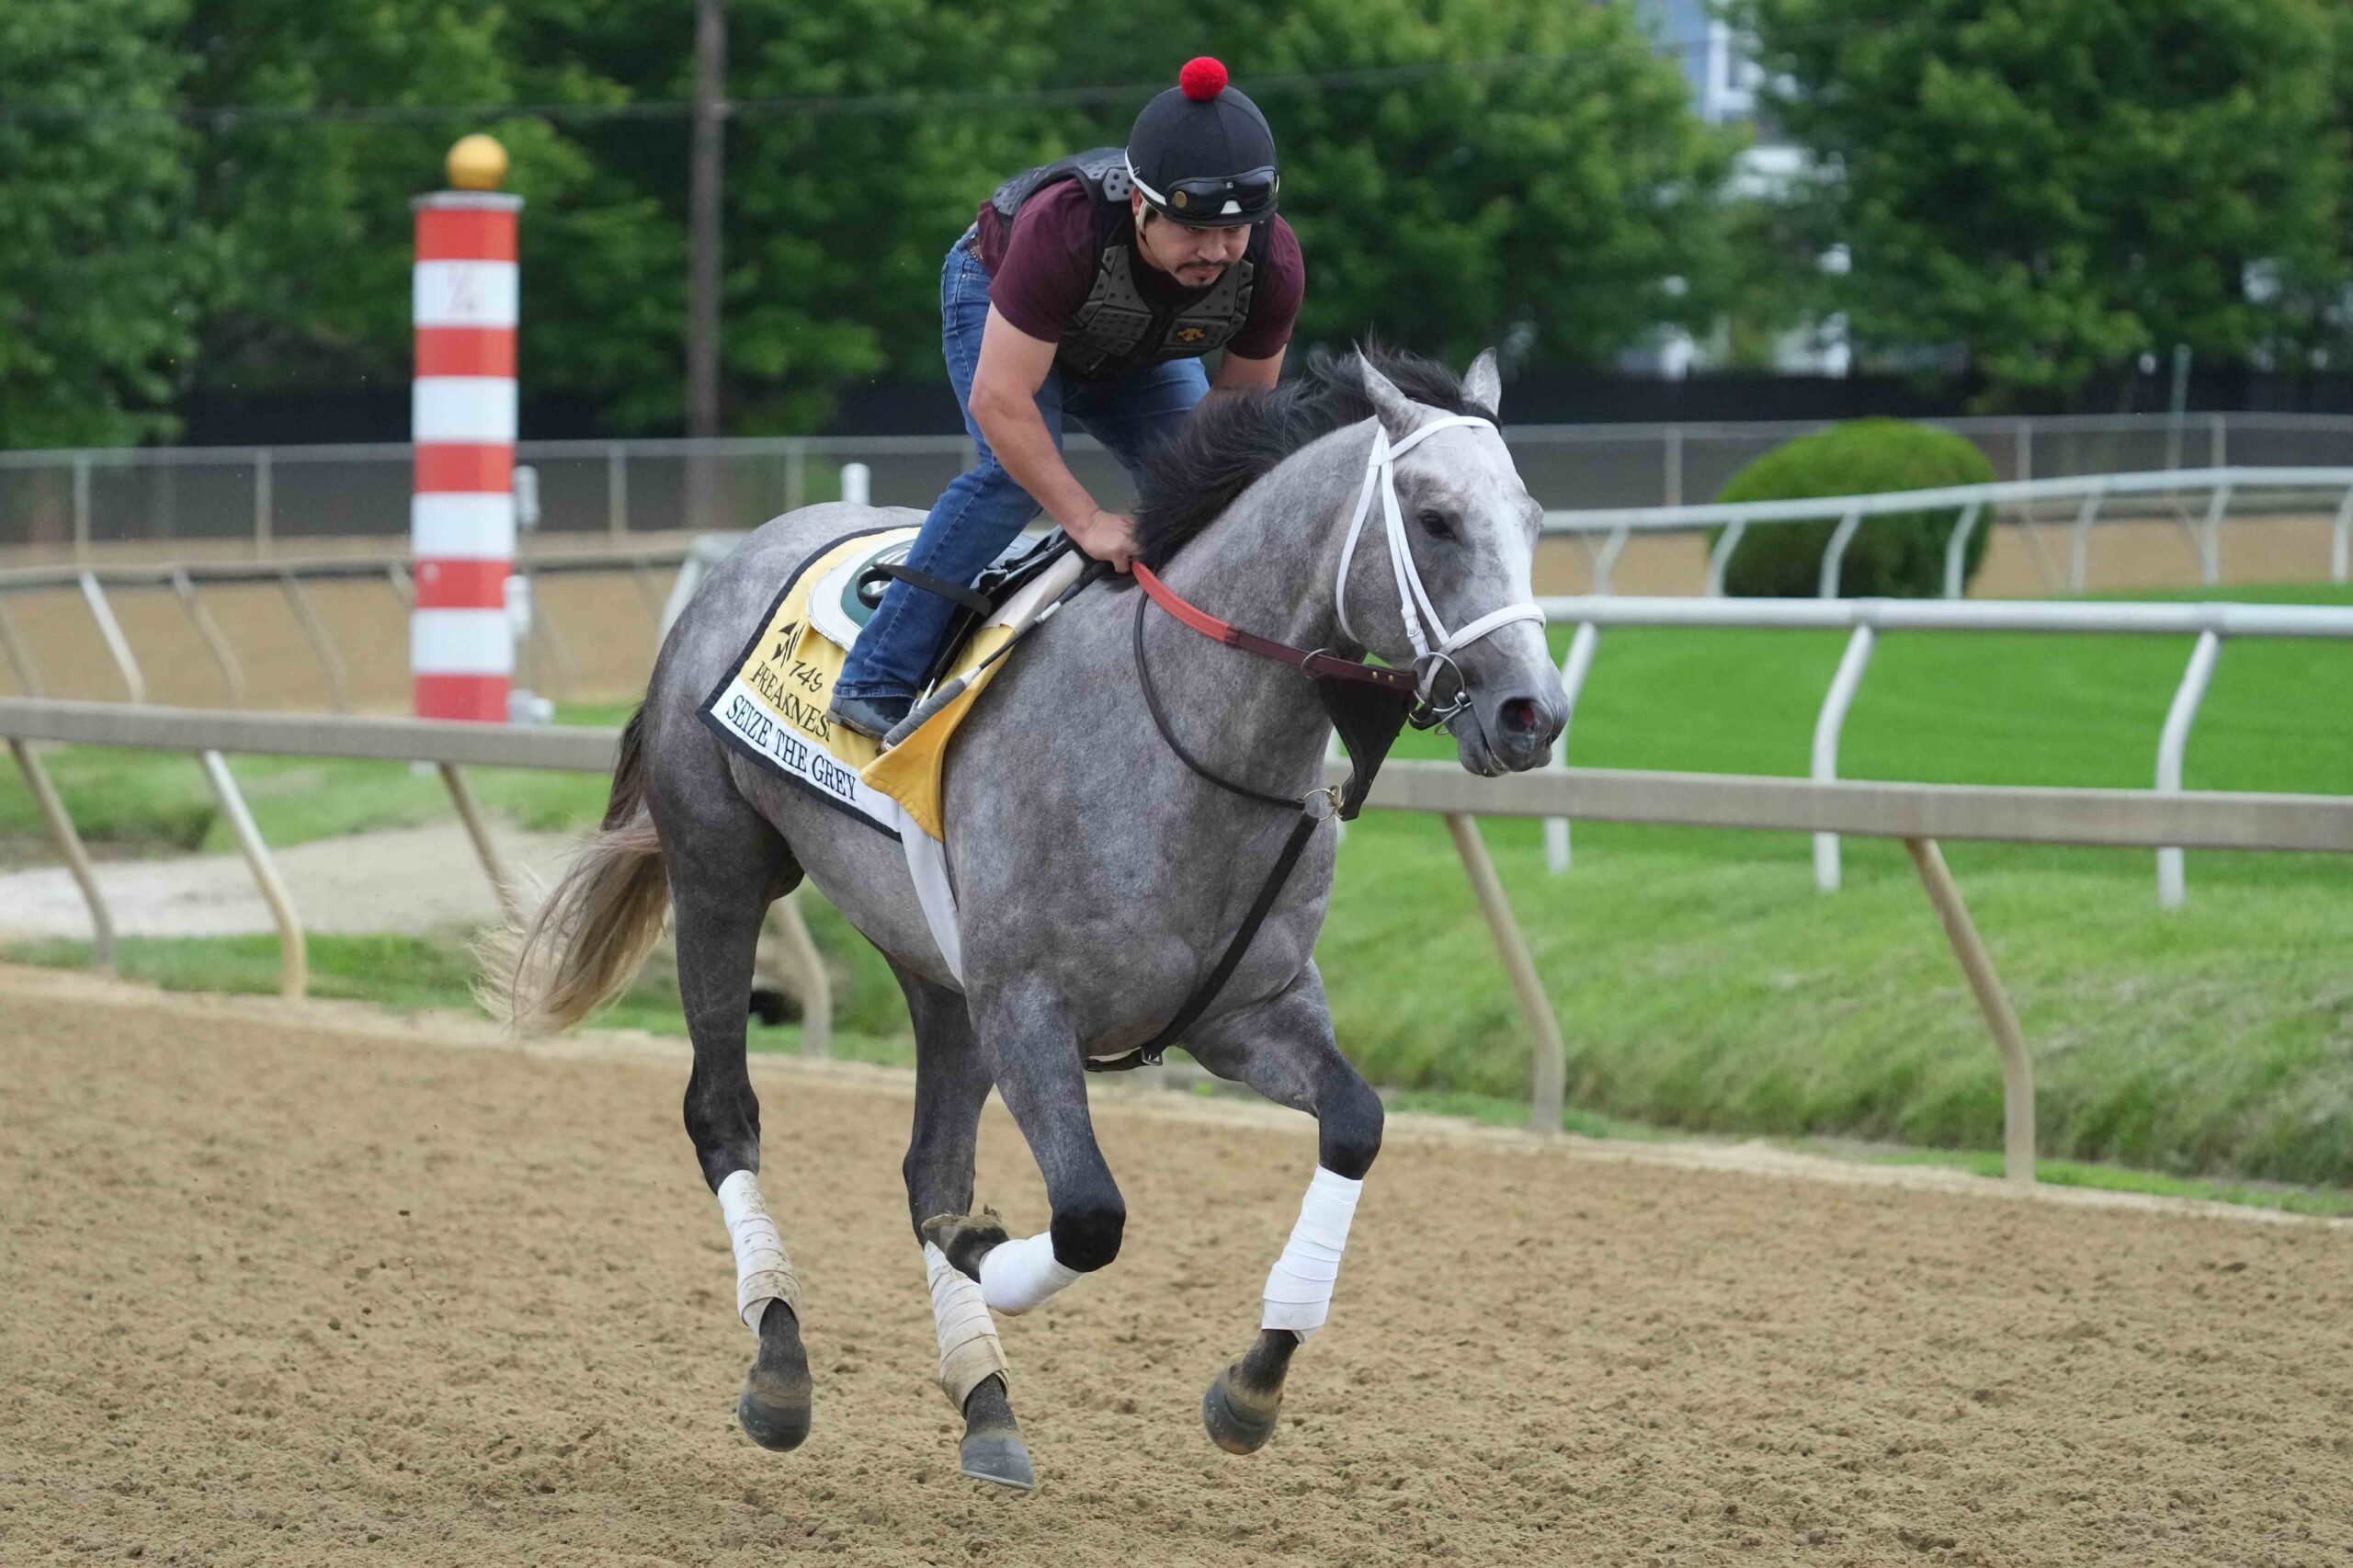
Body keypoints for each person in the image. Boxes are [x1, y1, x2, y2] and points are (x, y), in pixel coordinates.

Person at [827, 56, 1305, 740]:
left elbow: (1233, 428)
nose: (1218, 251)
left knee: (1221, 491)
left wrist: (1188, 500)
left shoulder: (1273, 263)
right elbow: (1002, 399)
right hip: (1003, 305)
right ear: (1140, 205)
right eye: (1194, 229)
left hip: (1137, 349)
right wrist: (1085, 520)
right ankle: (876, 676)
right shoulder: (1065, 228)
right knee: (1010, 476)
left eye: (1234, 231)